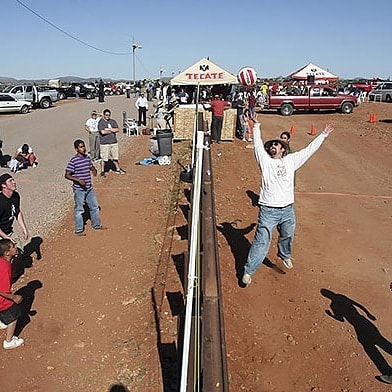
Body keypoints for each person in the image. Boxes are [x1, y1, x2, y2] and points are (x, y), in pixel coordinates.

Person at [242, 122, 334, 286]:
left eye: (276, 145)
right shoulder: (265, 161)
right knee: (261, 243)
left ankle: (284, 255)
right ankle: (248, 271)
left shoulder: (291, 160)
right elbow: (257, 145)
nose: (273, 147)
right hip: (268, 210)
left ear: (283, 149)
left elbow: (309, 151)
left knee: (288, 234)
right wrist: (256, 127)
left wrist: (323, 135)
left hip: (287, 209)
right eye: (271, 145)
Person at [65, 139, 107, 236]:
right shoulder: (73, 161)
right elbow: (67, 175)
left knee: (94, 207)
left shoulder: (87, 158)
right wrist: (78, 180)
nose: (83, 148)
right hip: (79, 190)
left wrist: (94, 170)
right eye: (80, 147)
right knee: (79, 210)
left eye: (83, 146)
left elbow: (91, 166)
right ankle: (79, 229)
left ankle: (96, 225)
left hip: (89, 188)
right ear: (76, 149)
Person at [0, 239, 24, 349]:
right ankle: (8, 341)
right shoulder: (5, 268)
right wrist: (14, 297)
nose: (16, 246)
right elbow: (3, 291)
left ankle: (3, 321)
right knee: (14, 315)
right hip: (2, 299)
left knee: (4, 313)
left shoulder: (2, 261)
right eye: (13, 246)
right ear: (7, 253)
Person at [0, 173, 30, 243]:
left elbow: (17, 212)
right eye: (10, 181)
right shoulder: (1, 201)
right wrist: (6, 237)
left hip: (8, 231)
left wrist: (24, 229)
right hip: (2, 235)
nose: (14, 182)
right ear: (3, 185)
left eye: (13, 180)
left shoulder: (15, 196)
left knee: (18, 249)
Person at [97, 109, 126, 177]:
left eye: (109, 115)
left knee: (115, 157)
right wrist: (112, 130)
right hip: (104, 143)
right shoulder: (101, 122)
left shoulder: (113, 121)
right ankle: (102, 171)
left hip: (113, 142)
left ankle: (118, 169)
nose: (108, 116)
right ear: (103, 115)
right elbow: (102, 132)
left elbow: (117, 129)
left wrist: (108, 129)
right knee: (104, 158)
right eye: (106, 115)